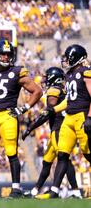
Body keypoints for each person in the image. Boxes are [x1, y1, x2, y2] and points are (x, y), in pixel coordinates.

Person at [0, 39, 42, 199]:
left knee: (11, 151)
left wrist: (23, 108)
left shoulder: (18, 71)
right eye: (3, 54)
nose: (5, 57)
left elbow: (37, 91)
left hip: (8, 115)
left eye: (8, 54)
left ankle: (16, 189)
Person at [36, 44, 91, 199]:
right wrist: (54, 110)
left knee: (88, 154)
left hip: (81, 116)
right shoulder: (71, 75)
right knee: (62, 155)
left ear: (76, 57)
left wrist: (90, 117)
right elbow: (69, 99)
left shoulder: (85, 73)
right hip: (69, 118)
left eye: (68, 58)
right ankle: (54, 191)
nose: (66, 61)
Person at [21, 67, 81, 198]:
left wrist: (30, 127)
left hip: (60, 129)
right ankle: (35, 191)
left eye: (47, 77)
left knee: (64, 159)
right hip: (58, 129)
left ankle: (75, 192)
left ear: (53, 78)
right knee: (47, 161)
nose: (45, 79)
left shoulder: (54, 90)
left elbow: (46, 114)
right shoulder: (62, 90)